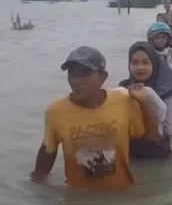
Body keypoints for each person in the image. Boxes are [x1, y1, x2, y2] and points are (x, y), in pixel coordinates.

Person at [31, 46, 159, 191]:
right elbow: (46, 158)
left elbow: (152, 137)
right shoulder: (56, 111)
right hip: (79, 197)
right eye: (73, 74)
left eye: (85, 73)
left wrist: (144, 102)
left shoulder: (123, 101)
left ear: (103, 76)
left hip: (121, 195)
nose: (77, 81)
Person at [119, 41, 172, 156]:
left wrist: (146, 101)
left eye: (145, 63)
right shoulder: (124, 87)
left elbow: (167, 131)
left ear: (154, 64)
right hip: (131, 151)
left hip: (156, 151)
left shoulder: (166, 89)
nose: (140, 67)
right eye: (135, 63)